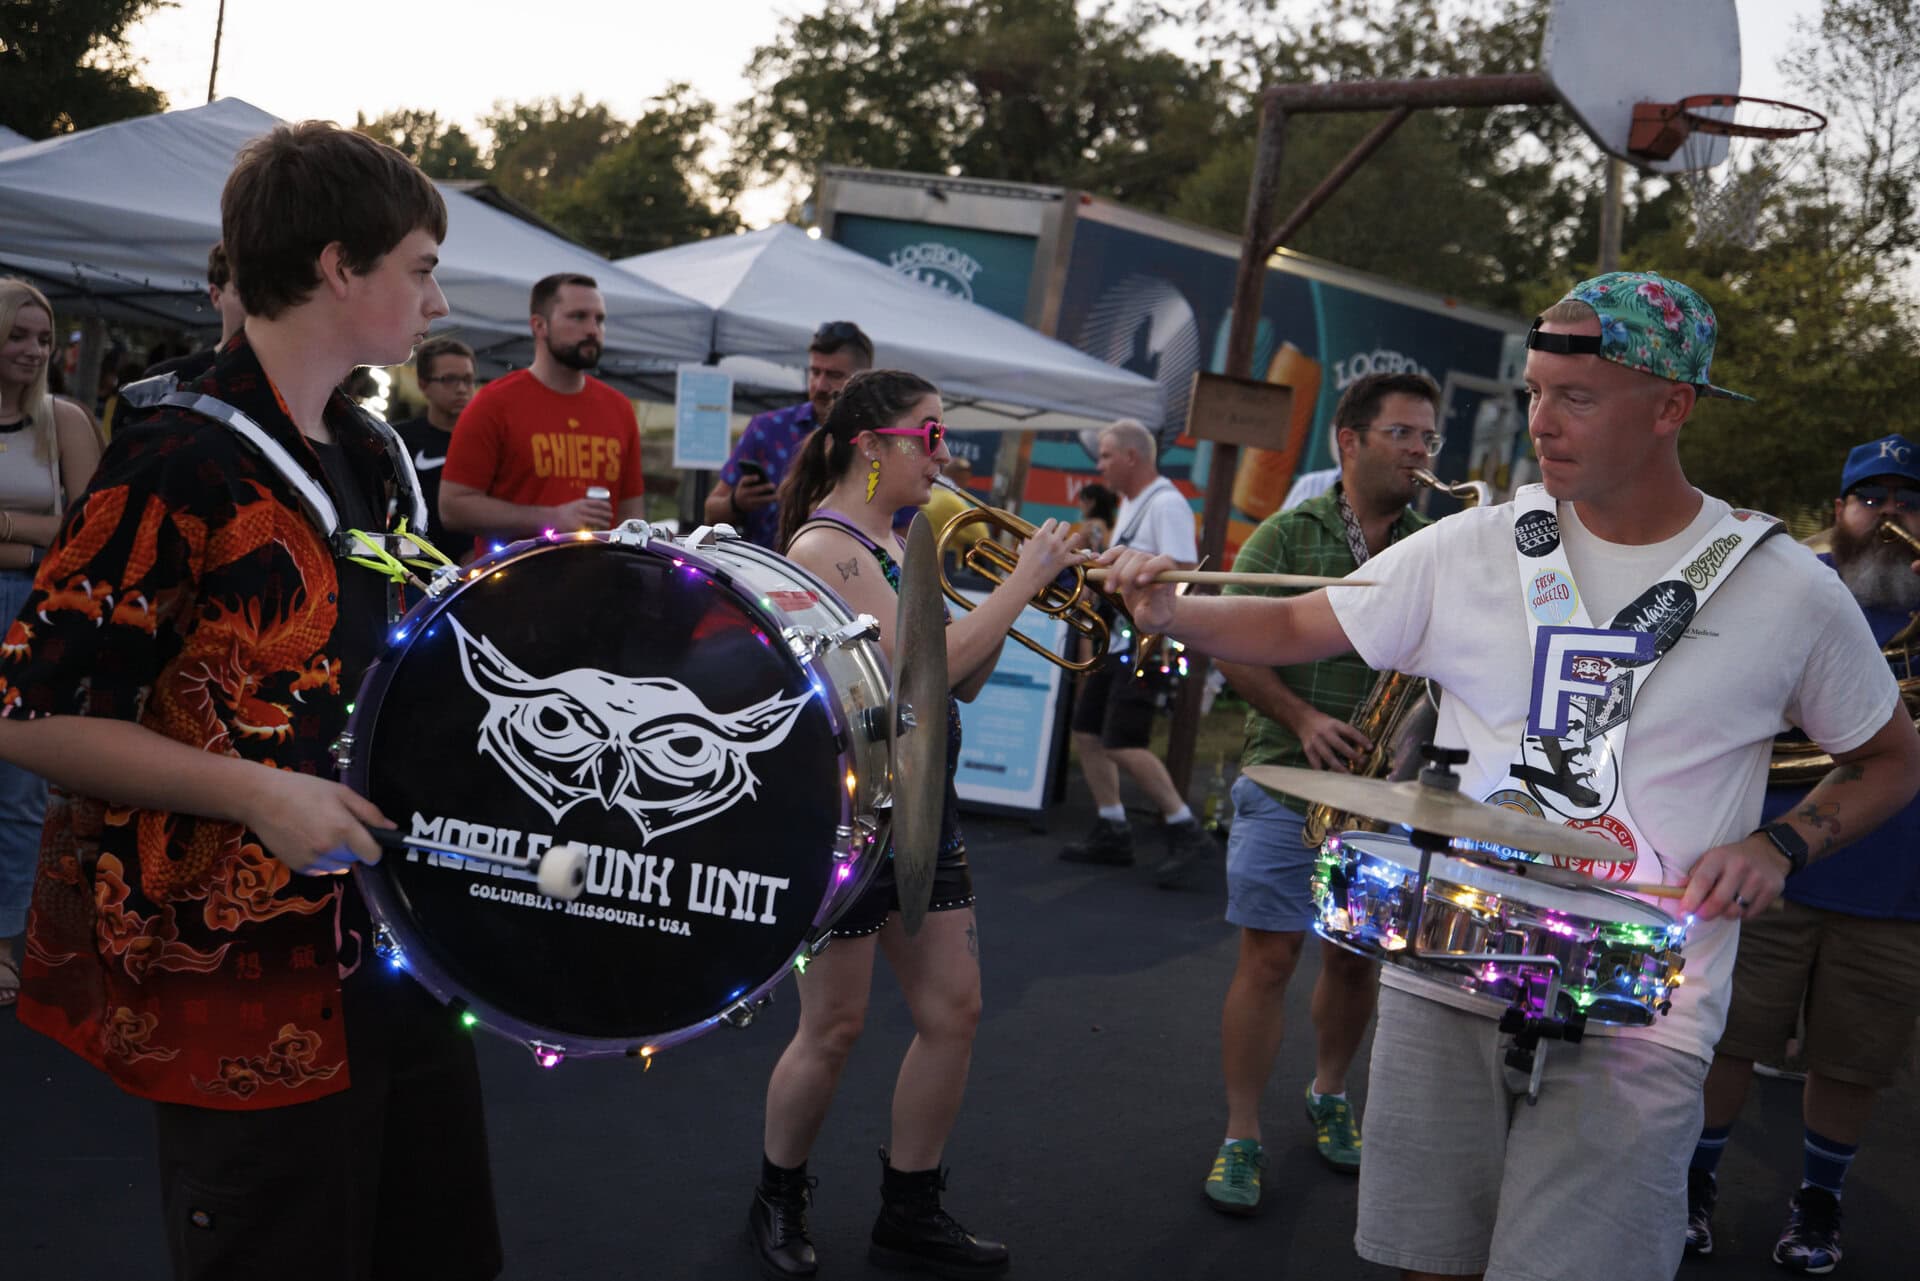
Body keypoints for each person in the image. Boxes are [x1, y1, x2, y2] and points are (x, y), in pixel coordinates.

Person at [1100, 271, 1920, 1281]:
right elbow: (1297, 620)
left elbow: (1888, 764)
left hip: (1644, 1008)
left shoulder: (1787, 587)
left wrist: (1783, 843)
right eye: (1534, 391)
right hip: (1448, 967)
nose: (1541, 421)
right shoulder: (1474, 547)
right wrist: (1173, 608)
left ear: (1672, 407)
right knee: (1426, 1261)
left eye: (1574, 397)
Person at [0, 121, 501, 1280]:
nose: (434, 306)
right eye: (420, 269)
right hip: (240, 974)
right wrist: (259, 795)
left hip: (404, 946)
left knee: (436, 1250)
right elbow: (29, 710)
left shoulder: (374, 453)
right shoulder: (178, 455)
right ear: (339, 266)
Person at [747, 368, 1081, 1280]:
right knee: (837, 1025)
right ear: (871, 446)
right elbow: (914, 681)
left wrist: (1010, 600)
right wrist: (1024, 579)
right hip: (846, 814)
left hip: (921, 800)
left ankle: (911, 1205)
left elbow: (962, 677)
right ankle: (777, 1193)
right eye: (929, 435)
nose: (946, 453)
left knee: (954, 1010)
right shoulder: (831, 547)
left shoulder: (901, 540)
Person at [1201, 371, 1439, 1212]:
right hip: (1287, 779)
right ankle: (1239, 1133)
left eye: (1428, 438)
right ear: (1350, 440)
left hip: (1391, 790)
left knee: (1355, 959)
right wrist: (1301, 716)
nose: (1421, 452)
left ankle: (1330, 1091)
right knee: (1267, 958)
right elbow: (1227, 640)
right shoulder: (1286, 534)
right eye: (1404, 434)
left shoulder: (1432, 543)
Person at [1685, 433, 1920, 1274]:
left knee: (1852, 1057)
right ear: (1841, 511)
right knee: (1729, 1036)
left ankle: (1819, 1203)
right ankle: (1693, 1185)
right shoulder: (1797, 590)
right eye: (1874, 498)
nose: (1891, 515)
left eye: (1909, 499)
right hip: (1774, 857)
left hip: (1898, 881)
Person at [0, 278, 104, 1009]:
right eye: (19, 334)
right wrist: (34, 531)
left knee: (20, 787)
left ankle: (4, 941)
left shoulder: (62, 420)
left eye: (43, 337)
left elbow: (91, 532)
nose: (34, 349)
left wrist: (10, 532)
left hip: (30, 610)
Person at [1059, 418, 1208, 883]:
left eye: (1105, 455)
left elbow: (1184, 575)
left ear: (1131, 457)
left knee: (1123, 740)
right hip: (1120, 641)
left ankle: (1186, 830)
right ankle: (1112, 825)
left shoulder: (1166, 504)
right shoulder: (1134, 503)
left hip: (1147, 648)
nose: (1099, 465)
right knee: (1086, 730)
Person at [440, 272, 645, 549]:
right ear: (539, 326)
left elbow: (631, 514)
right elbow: (453, 508)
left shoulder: (619, 408)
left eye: (599, 319)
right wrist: (552, 518)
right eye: (578, 316)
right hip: (513, 584)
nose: (592, 330)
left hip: (599, 583)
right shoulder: (493, 403)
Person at [705, 320, 873, 548]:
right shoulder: (767, 428)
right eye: (815, 372)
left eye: (834, 375)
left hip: (844, 579)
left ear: (862, 380)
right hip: (762, 576)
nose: (820, 385)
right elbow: (710, 513)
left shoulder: (877, 443)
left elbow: (901, 537)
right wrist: (736, 503)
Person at [388, 336, 475, 553]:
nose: (462, 389)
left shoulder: (488, 441)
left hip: (475, 571)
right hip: (411, 573)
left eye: (468, 379)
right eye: (449, 379)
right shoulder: (399, 439)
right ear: (423, 385)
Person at [140, 242, 249, 386]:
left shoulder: (283, 385)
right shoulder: (164, 383)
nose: (256, 302)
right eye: (243, 290)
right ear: (216, 296)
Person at [1076, 480, 1118, 554]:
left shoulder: (1094, 525)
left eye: (1081, 499)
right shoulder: (1109, 524)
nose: (1079, 504)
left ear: (1092, 502)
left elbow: (1100, 551)